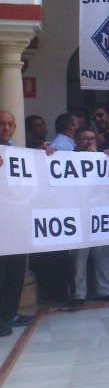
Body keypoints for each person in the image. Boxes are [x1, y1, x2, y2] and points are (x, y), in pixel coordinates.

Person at [65, 126, 109, 306]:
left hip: (101, 214)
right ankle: (77, 295)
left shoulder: (104, 157)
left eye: (92, 138)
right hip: (79, 215)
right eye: (84, 138)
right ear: (76, 141)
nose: (89, 142)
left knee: (104, 256)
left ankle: (105, 290)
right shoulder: (67, 159)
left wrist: (107, 155)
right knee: (78, 260)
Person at [0, 111, 34, 335]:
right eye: (1, 123)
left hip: (15, 223)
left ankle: (8, 314)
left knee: (14, 271)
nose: (6, 128)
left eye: (10, 124)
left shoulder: (16, 152)